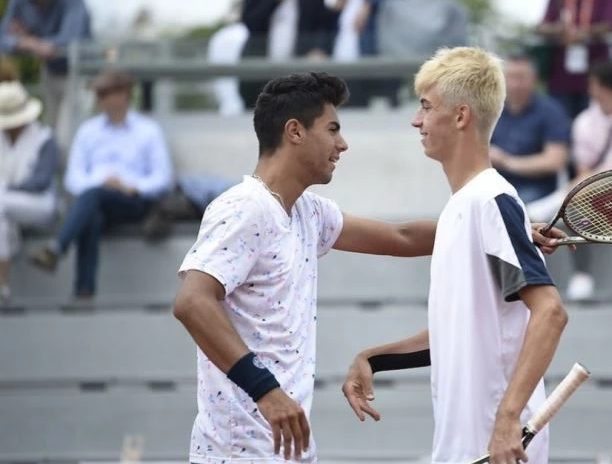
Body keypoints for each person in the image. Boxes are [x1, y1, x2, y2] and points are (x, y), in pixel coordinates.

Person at [172, 72, 570, 464]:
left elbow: (401, 237)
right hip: (236, 451)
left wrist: (503, 230)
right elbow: (192, 303)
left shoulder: (309, 213)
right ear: (294, 132)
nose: (342, 144)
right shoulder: (245, 206)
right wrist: (267, 393)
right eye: (332, 129)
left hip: (285, 449)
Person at [342, 47, 570, 464]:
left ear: (461, 116)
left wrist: (507, 420)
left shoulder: (491, 200)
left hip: (495, 446)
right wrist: (373, 359)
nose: (417, 120)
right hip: (465, 448)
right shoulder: (466, 208)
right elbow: (460, 333)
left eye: (426, 107)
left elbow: (550, 313)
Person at [28, 69, 173, 300]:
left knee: (91, 199)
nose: (100, 99)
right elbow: (73, 178)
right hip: (96, 200)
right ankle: (84, 290)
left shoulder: (148, 130)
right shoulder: (88, 131)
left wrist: (130, 186)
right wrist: (102, 182)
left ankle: (58, 249)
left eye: (105, 93)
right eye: (99, 94)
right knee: (92, 209)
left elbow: (162, 177)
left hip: (132, 201)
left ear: (124, 94)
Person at [529, 60, 612, 299]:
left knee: (573, 201)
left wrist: (586, 186)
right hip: (592, 196)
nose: (589, 88)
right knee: (575, 212)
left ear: (603, 87)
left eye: (593, 83)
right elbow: (584, 167)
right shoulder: (585, 122)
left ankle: (549, 207)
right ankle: (580, 276)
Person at [0, 0, 92, 137]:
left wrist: (30, 40)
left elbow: (71, 41)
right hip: (50, 73)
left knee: (67, 136)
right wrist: (29, 43)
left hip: (77, 75)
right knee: (53, 134)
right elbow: (4, 39)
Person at [0, 80, 59, 304]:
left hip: (39, 204)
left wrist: (5, 189)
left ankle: (2, 281)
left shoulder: (45, 139)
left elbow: (40, 182)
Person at [489, 53, 571, 204]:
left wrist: (507, 162)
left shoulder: (550, 111)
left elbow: (555, 160)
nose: (515, 84)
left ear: (534, 79)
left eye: (521, 77)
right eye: (510, 77)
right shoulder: (492, 110)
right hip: (495, 184)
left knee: (511, 207)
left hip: (535, 188)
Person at [537, 0, 612, 120]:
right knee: (560, 123)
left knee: (593, 123)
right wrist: (560, 30)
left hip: (595, 77)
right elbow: (542, 27)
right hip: (561, 78)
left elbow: (611, 24)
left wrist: (583, 33)